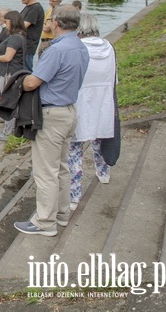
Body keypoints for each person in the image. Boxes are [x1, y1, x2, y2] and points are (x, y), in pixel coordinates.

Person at [14, 5, 89, 237]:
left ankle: (45, 222)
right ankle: (62, 214)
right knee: (62, 167)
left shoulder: (57, 50)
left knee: (46, 171)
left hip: (52, 115)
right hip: (69, 111)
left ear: (56, 22)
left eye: (50, 20)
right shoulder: (81, 47)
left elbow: (33, 82)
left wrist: (21, 80)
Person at [68, 14, 116, 209]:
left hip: (81, 99)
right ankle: (103, 172)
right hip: (103, 99)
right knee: (100, 137)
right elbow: (114, 76)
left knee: (74, 147)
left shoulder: (78, 49)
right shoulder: (108, 47)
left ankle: (74, 193)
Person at [0, 10, 27, 141]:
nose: (5, 24)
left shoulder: (14, 38)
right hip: (14, 72)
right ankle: (11, 130)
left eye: (6, 21)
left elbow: (7, 57)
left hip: (9, 73)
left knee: (8, 101)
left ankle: (8, 132)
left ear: (13, 22)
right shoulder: (21, 36)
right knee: (12, 101)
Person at [17, 0, 44, 71]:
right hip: (22, 44)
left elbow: (23, 26)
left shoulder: (35, 8)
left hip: (28, 45)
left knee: (26, 70)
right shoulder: (28, 7)